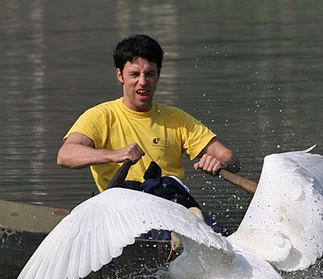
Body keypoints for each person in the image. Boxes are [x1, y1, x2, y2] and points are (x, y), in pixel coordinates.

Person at [57, 34, 240, 193]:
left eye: (149, 74)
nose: (143, 82)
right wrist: (114, 155)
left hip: (170, 204)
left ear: (158, 75)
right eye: (134, 74)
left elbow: (230, 159)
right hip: (121, 210)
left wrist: (220, 163)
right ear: (120, 76)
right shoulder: (100, 116)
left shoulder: (177, 119)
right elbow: (65, 155)